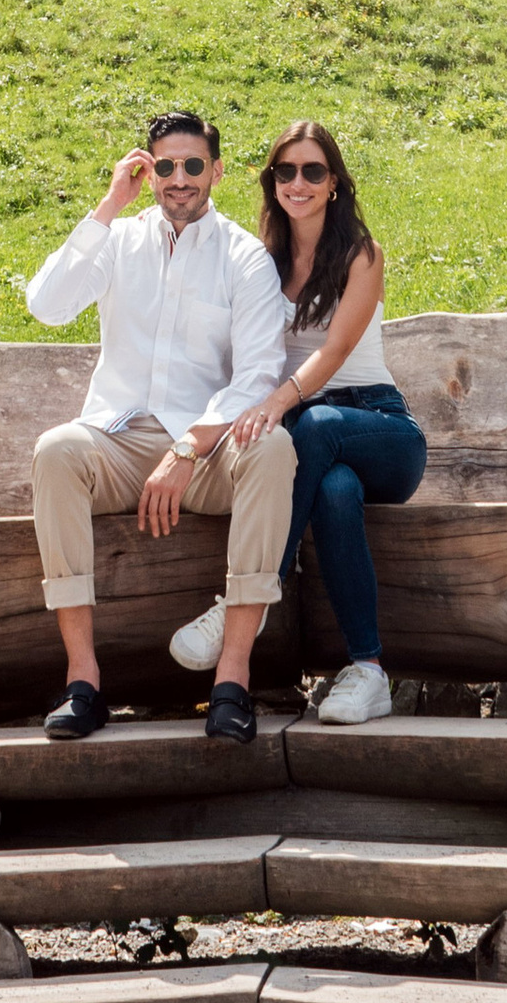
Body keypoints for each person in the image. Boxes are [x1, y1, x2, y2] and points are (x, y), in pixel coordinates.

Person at [23, 108, 294, 745]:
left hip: (201, 452)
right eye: (164, 166)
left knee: (274, 448)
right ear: (148, 173)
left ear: (217, 172)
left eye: (193, 165)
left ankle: (232, 682)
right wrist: (110, 203)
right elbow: (47, 306)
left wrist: (188, 447)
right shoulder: (117, 240)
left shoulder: (245, 257)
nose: (179, 179)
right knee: (56, 450)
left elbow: (257, 375)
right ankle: (83, 683)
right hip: (116, 440)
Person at [169, 117, 424, 726]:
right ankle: (369, 672)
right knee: (333, 492)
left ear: (333, 181)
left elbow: (333, 354)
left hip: (378, 427)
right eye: (287, 171)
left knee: (310, 429)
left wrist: (277, 404)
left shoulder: (361, 253)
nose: (299, 183)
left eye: (313, 170)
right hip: (314, 442)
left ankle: (245, 603)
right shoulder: (260, 262)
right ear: (272, 182)